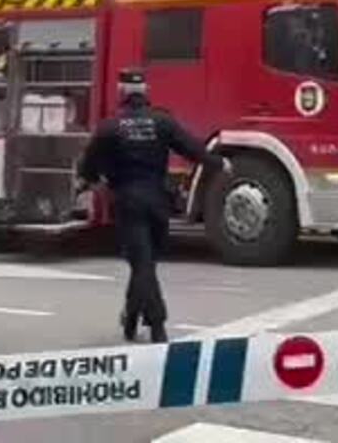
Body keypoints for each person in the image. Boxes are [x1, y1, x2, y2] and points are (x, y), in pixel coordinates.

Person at [77, 72, 227, 343]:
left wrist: (94, 183)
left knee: (141, 264)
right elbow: (193, 149)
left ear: (121, 92)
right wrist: (220, 164)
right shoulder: (162, 122)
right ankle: (131, 319)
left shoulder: (110, 127)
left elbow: (87, 167)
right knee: (144, 263)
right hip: (158, 204)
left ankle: (157, 325)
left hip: (127, 205)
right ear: (145, 91)